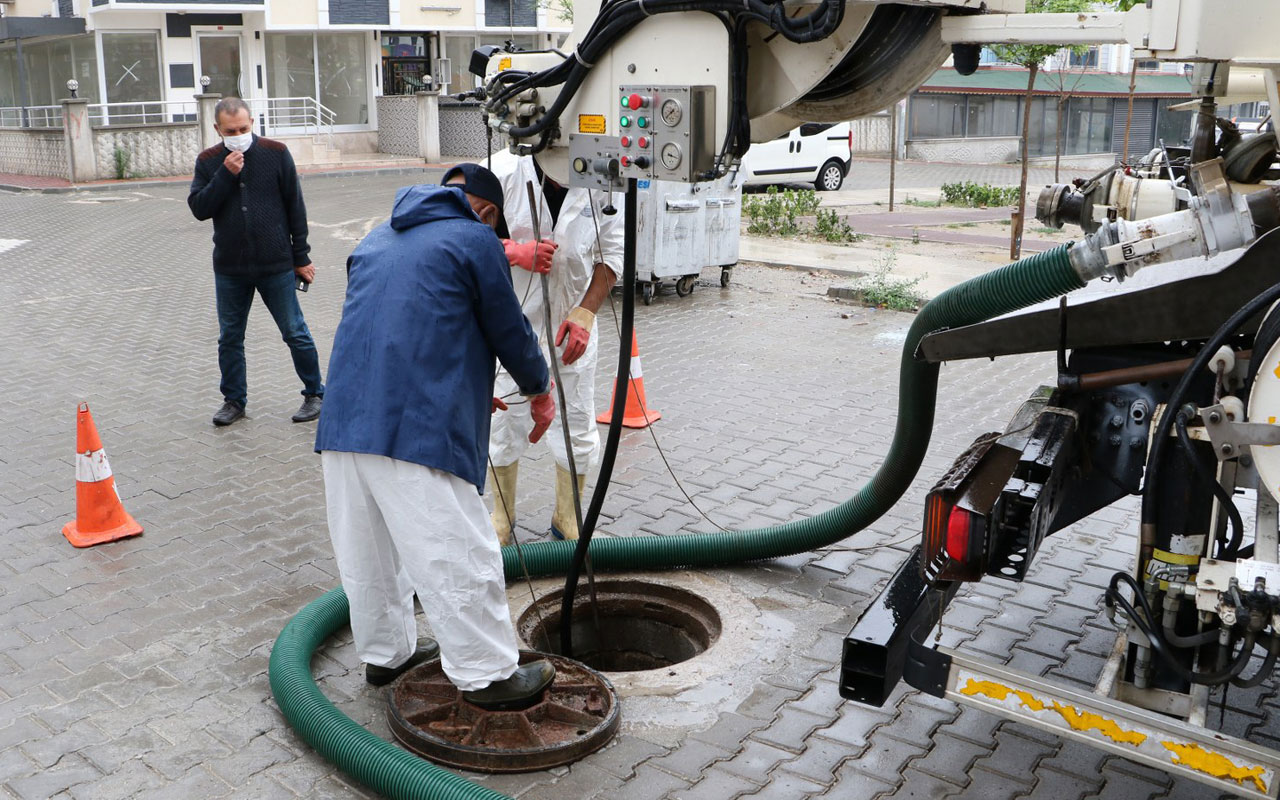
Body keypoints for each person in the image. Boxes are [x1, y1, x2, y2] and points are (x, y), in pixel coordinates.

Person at [314, 164, 559, 706]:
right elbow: (508, 328)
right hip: (414, 430)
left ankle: (386, 657)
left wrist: (467, 383)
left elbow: (408, 326)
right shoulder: (476, 239)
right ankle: (490, 676)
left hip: (345, 423)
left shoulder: (376, 238)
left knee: (370, 554)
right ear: (488, 213)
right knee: (458, 550)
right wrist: (540, 391)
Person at [486, 150, 625, 543]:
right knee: (502, 422)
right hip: (510, 329)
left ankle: (567, 520)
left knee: (578, 425)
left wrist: (586, 312)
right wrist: (513, 250)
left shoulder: (605, 174)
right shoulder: (501, 172)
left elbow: (612, 252)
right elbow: (457, 239)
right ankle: (502, 518)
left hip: (572, 331)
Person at [188, 97, 324, 428]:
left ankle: (315, 393)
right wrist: (225, 174)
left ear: (253, 123)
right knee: (230, 337)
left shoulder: (275, 153)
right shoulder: (208, 161)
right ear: (217, 129)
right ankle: (234, 401)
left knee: (294, 331)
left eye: (244, 128)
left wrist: (301, 257)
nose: (238, 135)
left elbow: (295, 206)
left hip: (275, 263)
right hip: (230, 268)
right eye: (231, 130)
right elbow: (199, 207)